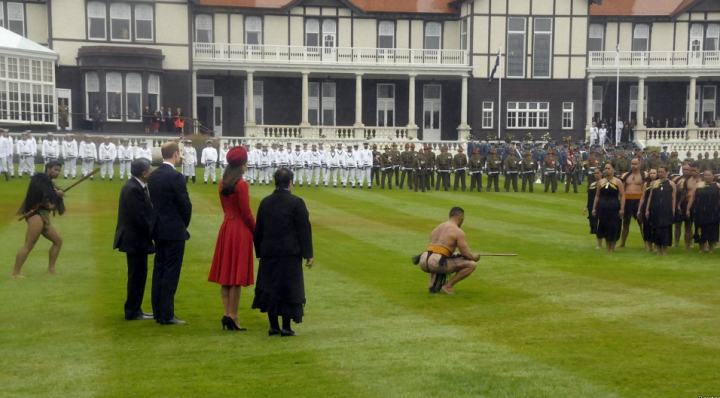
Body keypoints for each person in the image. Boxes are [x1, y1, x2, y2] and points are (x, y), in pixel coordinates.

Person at [252, 168, 313, 337]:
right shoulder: (296, 202)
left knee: (270, 287)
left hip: (270, 251)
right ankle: (286, 327)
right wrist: (308, 254)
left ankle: (273, 326)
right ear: (290, 183)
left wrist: (259, 251)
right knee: (288, 289)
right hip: (289, 252)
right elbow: (304, 230)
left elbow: (259, 230)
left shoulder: (266, 202)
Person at [208, 146, 255, 331]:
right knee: (236, 276)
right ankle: (234, 317)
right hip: (240, 230)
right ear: (242, 164)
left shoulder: (222, 183)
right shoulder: (241, 184)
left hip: (227, 225)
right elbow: (246, 213)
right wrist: (256, 230)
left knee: (226, 275)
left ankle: (227, 313)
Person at [148, 141, 193, 325]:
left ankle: (158, 311)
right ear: (175, 154)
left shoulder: (153, 175)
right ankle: (167, 314)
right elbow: (185, 205)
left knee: (159, 268)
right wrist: (184, 224)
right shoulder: (176, 177)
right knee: (171, 272)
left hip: (158, 228)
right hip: (174, 229)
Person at [113, 158, 156, 320]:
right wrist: (154, 232)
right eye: (150, 170)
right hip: (134, 240)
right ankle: (132, 310)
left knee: (139, 274)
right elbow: (139, 217)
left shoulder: (137, 186)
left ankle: (135, 308)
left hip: (136, 239)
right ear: (144, 173)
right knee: (136, 275)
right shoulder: (133, 189)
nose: (152, 172)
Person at [12, 161, 65, 277]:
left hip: (44, 216)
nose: (57, 172)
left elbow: (50, 204)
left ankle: (51, 269)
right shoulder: (39, 180)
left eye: (59, 170)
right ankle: (15, 272)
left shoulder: (50, 185)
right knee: (29, 244)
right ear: (48, 168)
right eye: (55, 169)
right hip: (36, 215)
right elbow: (45, 195)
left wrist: (55, 198)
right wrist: (57, 195)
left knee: (58, 241)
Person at [412, 207, 479, 295]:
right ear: (461, 216)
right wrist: (475, 257)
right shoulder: (458, 231)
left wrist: (455, 254)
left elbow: (438, 250)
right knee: (471, 265)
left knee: (436, 258)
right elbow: (466, 254)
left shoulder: (437, 228)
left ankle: (432, 284)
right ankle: (448, 286)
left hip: (423, 260)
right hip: (436, 263)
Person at [592, 163, 625, 252]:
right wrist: (594, 208)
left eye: (608, 168)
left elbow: (622, 195)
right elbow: (597, 195)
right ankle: (607, 248)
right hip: (602, 206)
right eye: (605, 168)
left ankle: (612, 248)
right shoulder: (601, 182)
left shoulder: (618, 181)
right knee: (604, 225)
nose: (606, 170)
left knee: (613, 226)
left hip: (614, 206)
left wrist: (622, 208)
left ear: (613, 169)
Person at [687, 169, 720, 253]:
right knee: (700, 228)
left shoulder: (717, 186)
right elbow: (692, 198)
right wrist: (688, 209)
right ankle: (701, 247)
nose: (707, 177)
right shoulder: (698, 185)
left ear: (713, 176)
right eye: (705, 175)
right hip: (700, 211)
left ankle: (711, 248)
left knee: (712, 229)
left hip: (713, 211)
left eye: (709, 175)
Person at [646, 166, 676, 255]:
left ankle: (665, 249)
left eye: (662, 172)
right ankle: (658, 248)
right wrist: (647, 209)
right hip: (655, 210)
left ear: (666, 172)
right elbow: (650, 197)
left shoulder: (671, 184)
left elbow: (673, 198)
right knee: (656, 229)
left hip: (666, 210)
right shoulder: (654, 184)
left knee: (665, 229)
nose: (660, 173)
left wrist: (673, 210)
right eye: (659, 172)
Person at [619, 158, 646, 247]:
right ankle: (622, 243)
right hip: (627, 200)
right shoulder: (625, 175)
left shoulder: (644, 175)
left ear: (639, 164)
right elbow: (622, 190)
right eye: (632, 164)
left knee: (641, 222)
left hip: (638, 200)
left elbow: (646, 190)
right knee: (625, 222)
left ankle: (646, 243)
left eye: (635, 164)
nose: (633, 166)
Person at [637, 168, 658, 252]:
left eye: (654, 173)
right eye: (651, 173)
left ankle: (657, 245)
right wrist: (639, 210)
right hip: (646, 206)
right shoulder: (646, 184)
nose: (652, 175)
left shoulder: (659, 183)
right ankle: (648, 246)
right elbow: (643, 197)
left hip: (656, 206)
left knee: (656, 227)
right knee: (646, 226)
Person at [583, 168, 603, 249]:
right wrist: (586, 206)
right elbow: (589, 197)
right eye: (595, 173)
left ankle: (603, 243)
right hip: (592, 205)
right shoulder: (592, 184)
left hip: (601, 205)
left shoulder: (604, 183)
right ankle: (599, 243)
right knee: (594, 224)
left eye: (598, 173)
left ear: (601, 173)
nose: (596, 175)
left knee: (601, 224)